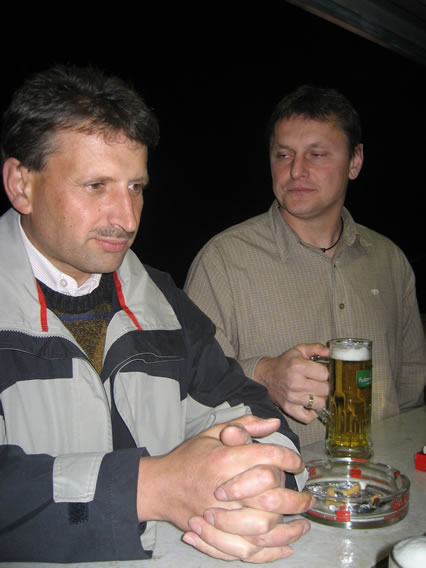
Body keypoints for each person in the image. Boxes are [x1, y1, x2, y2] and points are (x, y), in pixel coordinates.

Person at [0, 66, 313, 564]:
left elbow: (251, 410)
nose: (127, 219)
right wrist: (152, 488)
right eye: (96, 185)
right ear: (21, 184)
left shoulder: (160, 299)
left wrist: (264, 478)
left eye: (136, 187)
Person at [185, 85, 426, 447]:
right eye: (283, 155)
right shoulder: (222, 262)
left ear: (355, 161)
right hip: (273, 477)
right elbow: (187, 388)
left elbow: (410, 386)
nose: (296, 170)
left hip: (381, 473)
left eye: (316, 154)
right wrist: (262, 373)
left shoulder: (390, 261)